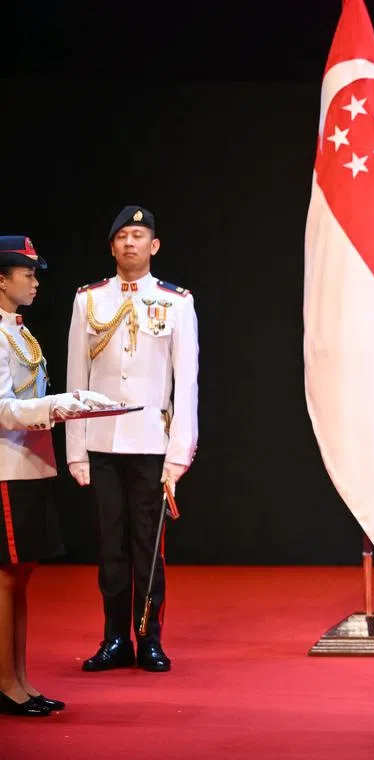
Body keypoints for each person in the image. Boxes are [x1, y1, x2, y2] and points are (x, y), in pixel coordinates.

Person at [66, 205, 199, 673]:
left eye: (138, 235)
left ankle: (149, 638)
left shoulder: (176, 302)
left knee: (148, 546)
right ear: (111, 247)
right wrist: (76, 452)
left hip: (151, 445)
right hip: (102, 442)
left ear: (153, 245)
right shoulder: (89, 299)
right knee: (111, 546)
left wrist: (179, 454)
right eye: (122, 236)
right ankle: (114, 639)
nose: (130, 243)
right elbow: (76, 378)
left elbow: (186, 384)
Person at [0, 235, 115, 717]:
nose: (35, 282)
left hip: (29, 464)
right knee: (7, 578)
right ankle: (6, 683)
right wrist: (54, 405)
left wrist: (69, 403)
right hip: (6, 468)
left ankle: (19, 678)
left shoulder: (18, 330)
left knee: (21, 576)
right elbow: (3, 408)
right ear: (1, 279)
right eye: (27, 274)